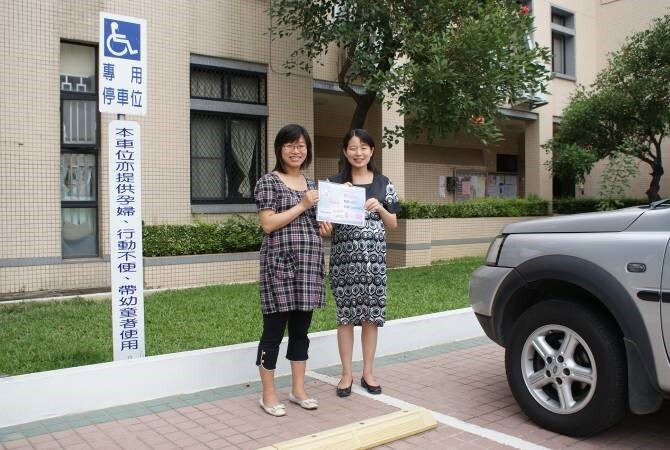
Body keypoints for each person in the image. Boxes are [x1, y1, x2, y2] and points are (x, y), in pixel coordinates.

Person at [253, 124, 330, 416]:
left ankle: (298, 390)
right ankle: (268, 394)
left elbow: (315, 225)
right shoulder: (268, 182)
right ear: (279, 149)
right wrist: (302, 204)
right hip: (279, 268)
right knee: (273, 332)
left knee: (301, 331)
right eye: (290, 145)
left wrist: (324, 228)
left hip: (309, 268)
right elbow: (268, 224)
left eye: (301, 146)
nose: (296, 151)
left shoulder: (313, 187)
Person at [326, 128, 400, 397]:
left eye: (363, 148)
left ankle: (368, 372)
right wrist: (338, 200)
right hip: (344, 263)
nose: (358, 153)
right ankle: (346, 374)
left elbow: (392, 224)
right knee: (345, 318)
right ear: (345, 152)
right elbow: (327, 227)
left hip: (375, 265)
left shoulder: (383, 183)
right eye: (353, 148)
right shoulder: (335, 184)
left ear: (371, 151)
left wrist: (379, 207)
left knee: (371, 318)